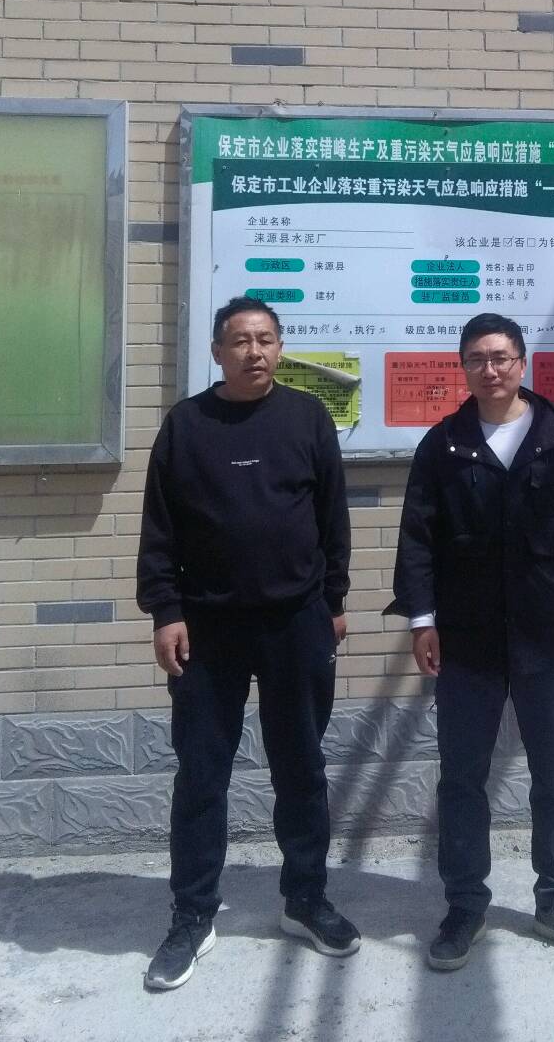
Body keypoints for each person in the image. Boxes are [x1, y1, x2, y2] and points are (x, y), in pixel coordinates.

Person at [136, 297, 358, 990]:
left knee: (302, 767)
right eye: (240, 340)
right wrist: (165, 611)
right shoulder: (186, 425)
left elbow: (333, 517)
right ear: (217, 352)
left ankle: (305, 899)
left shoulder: (307, 417)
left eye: (265, 339)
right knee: (202, 774)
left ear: (280, 348)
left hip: (297, 622)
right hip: (208, 627)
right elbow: (159, 528)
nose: (254, 351)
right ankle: (193, 914)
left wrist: (333, 602)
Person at [388, 312, 554, 971]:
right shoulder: (444, 444)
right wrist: (422, 621)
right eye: (477, 359)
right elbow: (418, 539)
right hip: (468, 639)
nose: (489, 369)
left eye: (501, 357)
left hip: (547, 631)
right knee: (462, 778)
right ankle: (464, 905)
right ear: (462, 367)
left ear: (521, 362)